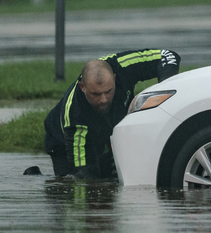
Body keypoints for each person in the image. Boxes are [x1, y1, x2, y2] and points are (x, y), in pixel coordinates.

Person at [44, 49, 180, 179]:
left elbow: (167, 55)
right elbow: (83, 174)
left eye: (108, 91)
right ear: (82, 87)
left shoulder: (123, 66)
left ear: (115, 78)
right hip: (61, 140)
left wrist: (165, 91)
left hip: (107, 128)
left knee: (113, 175)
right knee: (73, 182)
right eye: (95, 94)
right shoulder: (75, 113)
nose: (103, 100)